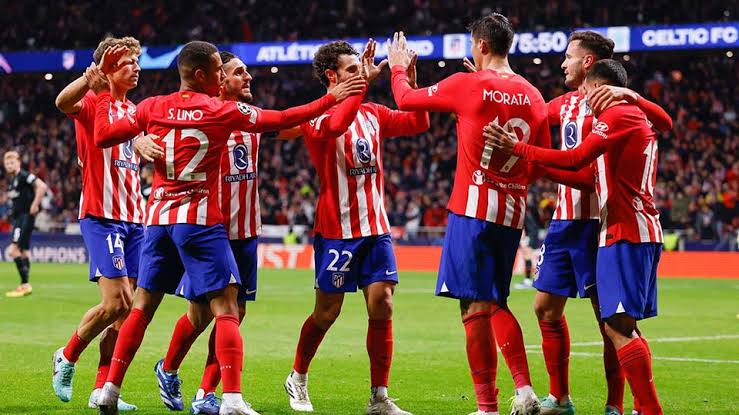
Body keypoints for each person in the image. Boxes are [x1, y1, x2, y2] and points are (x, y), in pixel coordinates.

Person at [91, 40, 363, 415]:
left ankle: (109, 389)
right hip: (200, 221)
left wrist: (103, 93)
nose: (222, 75)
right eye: (219, 69)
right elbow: (285, 117)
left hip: (159, 219)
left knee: (141, 308)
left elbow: (103, 134)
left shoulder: (153, 105)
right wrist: (333, 96)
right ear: (201, 74)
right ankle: (231, 398)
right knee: (226, 308)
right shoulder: (222, 111)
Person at [484, 58, 665, 415]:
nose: (581, 96)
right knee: (610, 322)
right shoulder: (630, 115)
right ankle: (620, 405)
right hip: (617, 228)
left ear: (597, 84)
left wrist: (519, 149)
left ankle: (638, 407)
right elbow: (585, 173)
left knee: (617, 325)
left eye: (585, 90)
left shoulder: (618, 115)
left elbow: (576, 158)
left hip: (624, 230)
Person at [388, 14, 549, 415]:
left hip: (473, 210)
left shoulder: (468, 85)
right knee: (496, 300)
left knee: (474, 307)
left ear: (481, 45)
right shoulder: (533, 95)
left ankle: (489, 406)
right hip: (512, 212)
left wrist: (399, 68)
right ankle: (523, 389)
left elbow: (406, 100)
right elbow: (540, 161)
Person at [283, 39, 428, 415]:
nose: (361, 74)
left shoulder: (373, 113)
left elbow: (419, 122)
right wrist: (362, 84)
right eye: (352, 70)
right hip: (337, 232)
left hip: (376, 228)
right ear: (331, 77)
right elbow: (337, 123)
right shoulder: (317, 116)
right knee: (327, 313)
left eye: (359, 70)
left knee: (383, 304)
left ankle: (379, 397)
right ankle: (298, 376)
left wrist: (410, 81)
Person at [152, 50, 295, 415]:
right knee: (200, 316)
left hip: (245, 232)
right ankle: (168, 368)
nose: (248, 77)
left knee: (234, 313)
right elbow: (150, 131)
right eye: (238, 72)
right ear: (219, 79)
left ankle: (206, 392)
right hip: (210, 232)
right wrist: (138, 142)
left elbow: (300, 123)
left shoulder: (252, 120)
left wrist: (343, 95)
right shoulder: (204, 121)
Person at [51, 36, 157, 411]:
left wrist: (146, 144)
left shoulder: (135, 110)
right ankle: (66, 356)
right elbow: (62, 102)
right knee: (116, 303)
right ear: (109, 68)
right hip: (101, 215)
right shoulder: (94, 101)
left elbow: (141, 145)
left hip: (135, 219)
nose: (137, 68)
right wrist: (88, 78)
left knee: (127, 310)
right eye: (129, 62)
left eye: (137, 61)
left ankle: (103, 389)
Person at [4, 150, 47, 297]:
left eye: (12, 162)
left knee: (13, 250)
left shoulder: (23, 175)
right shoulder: (13, 180)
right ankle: (25, 284)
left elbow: (42, 186)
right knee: (24, 251)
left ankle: (25, 284)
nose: (9, 165)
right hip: (19, 218)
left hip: (24, 217)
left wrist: (35, 204)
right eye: (7, 163)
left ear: (18, 163)